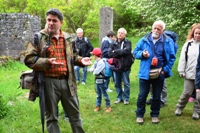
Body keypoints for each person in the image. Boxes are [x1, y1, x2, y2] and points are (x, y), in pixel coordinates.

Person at [24, 8, 92, 133]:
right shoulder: (38, 37)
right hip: (49, 82)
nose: (51, 23)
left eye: (54, 21)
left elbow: (73, 56)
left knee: (75, 116)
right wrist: (46, 62)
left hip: (68, 82)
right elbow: (28, 59)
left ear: (61, 22)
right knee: (51, 118)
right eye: (49, 20)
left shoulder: (68, 38)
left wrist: (81, 60)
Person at [133, 20, 176, 124]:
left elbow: (172, 58)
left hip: (159, 73)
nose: (156, 30)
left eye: (159, 29)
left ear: (163, 30)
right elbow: (135, 52)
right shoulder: (143, 40)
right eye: (154, 28)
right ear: (152, 28)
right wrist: (142, 54)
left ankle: (155, 115)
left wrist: (165, 70)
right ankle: (139, 115)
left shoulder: (168, 41)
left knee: (157, 96)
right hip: (145, 72)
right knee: (142, 95)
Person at [175, 23, 200, 120]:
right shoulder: (188, 44)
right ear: (193, 33)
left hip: (199, 75)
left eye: (199, 33)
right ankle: (179, 107)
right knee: (187, 92)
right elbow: (182, 59)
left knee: (199, 96)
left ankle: (196, 111)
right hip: (189, 73)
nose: (197, 35)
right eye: (196, 33)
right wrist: (181, 71)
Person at [108, 28, 134, 105]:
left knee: (126, 83)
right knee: (117, 83)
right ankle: (119, 98)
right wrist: (121, 52)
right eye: (119, 32)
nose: (120, 34)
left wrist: (115, 51)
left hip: (125, 67)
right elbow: (109, 54)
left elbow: (127, 51)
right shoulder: (113, 43)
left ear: (124, 34)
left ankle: (126, 98)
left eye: (121, 33)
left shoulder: (128, 42)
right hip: (116, 67)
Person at [90, 48, 112, 113]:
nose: (93, 55)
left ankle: (108, 107)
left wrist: (93, 70)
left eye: (93, 54)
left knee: (104, 94)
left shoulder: (101, 62)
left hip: (102, 81)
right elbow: (92, 68)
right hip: (97, 80)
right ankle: (98, 106)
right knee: (98, 94)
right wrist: (92, 69)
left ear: (95, 55)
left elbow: (95, 72)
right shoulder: (96, 62)